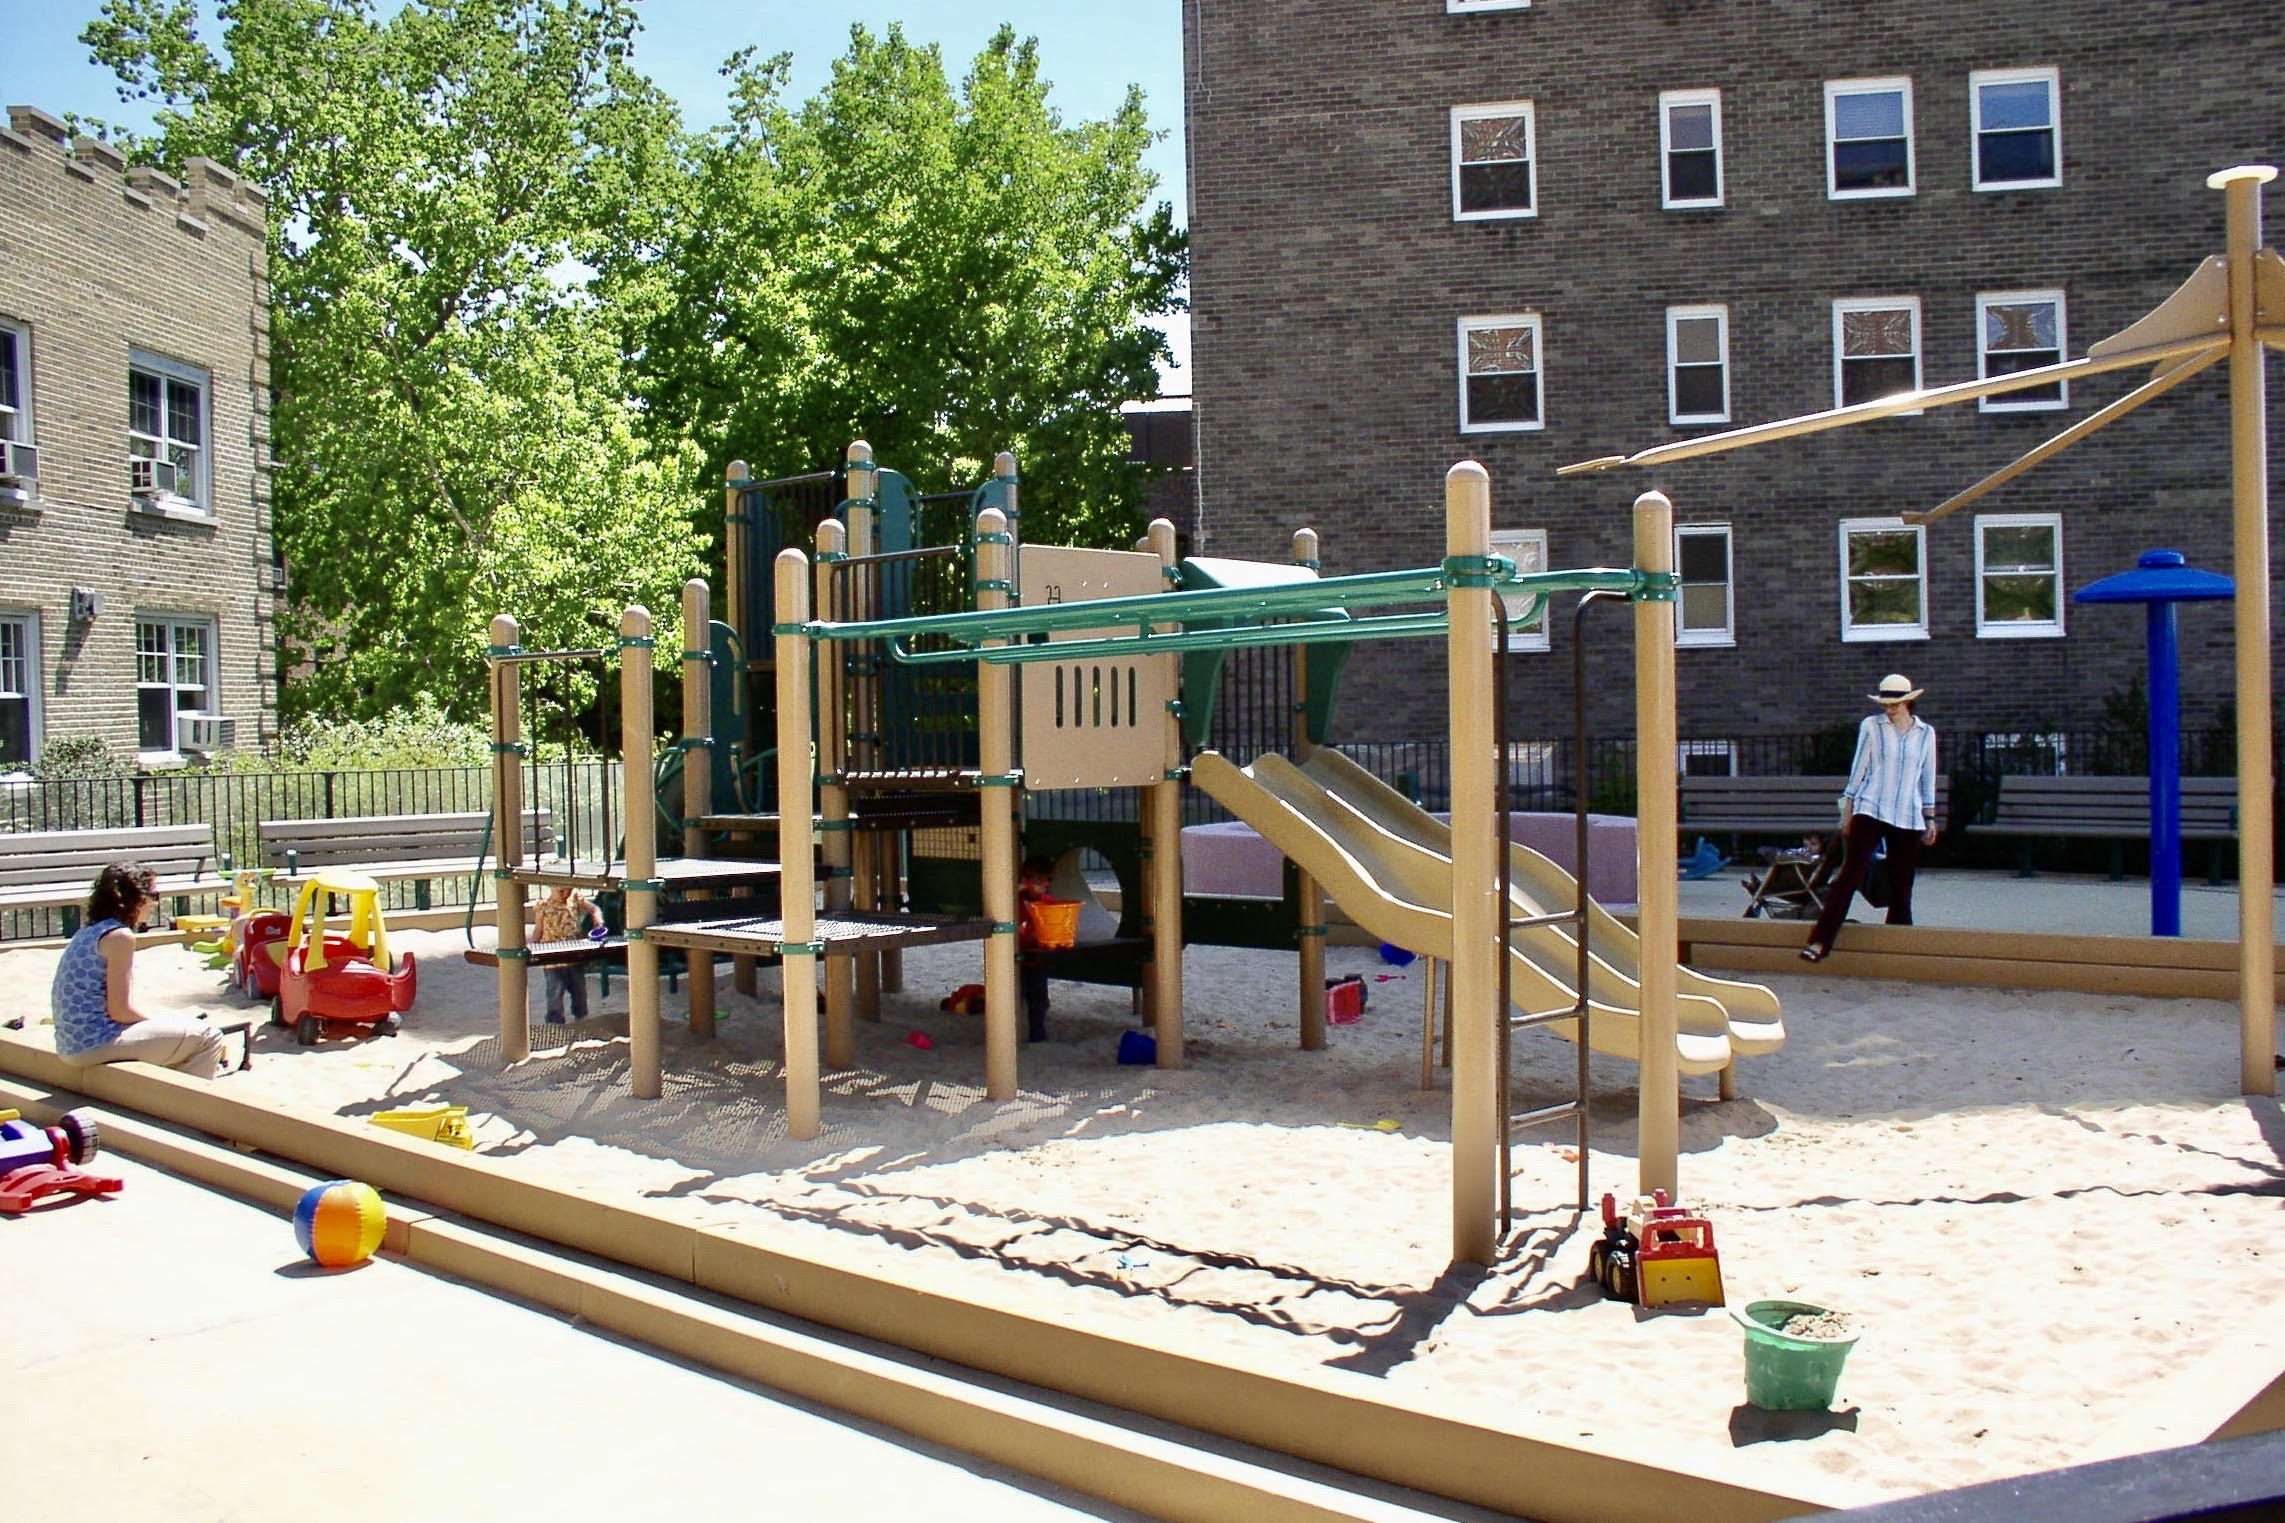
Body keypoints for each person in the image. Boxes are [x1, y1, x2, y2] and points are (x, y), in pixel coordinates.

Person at [1802, 674, 1939, 962]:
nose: (1890, 709)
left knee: (1902, 883)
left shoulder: (1926, 733)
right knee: (1850, 874)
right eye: (1887, 704)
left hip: (1907, 813)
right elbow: (1858, 771)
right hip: (1871, 807)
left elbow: (1927, 778)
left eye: (1896, 704)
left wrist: (1929, 817)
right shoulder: (1872, 727)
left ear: (1908, 703)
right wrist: (1847, 812)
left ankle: (1898, 947)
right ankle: (1820, 941)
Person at [51, 863, 226, 1079]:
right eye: (152, 895)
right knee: (208, 1037)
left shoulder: (88, 932)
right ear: (133, 897)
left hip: (71, 1045)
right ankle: (193, 1106)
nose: (154, 903)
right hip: (95, 1044)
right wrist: (155, 1022)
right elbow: (120, 1011)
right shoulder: (119, 937)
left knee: (176, 1034)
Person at [531, 882, 604, 1023]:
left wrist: (597, 917)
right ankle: (555, 1022)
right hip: (552, 959)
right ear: (551, 887)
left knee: (579, 992)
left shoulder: (575, 898)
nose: (565, 894)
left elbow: (594, 909)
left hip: (574, 956)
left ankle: (581, 1018)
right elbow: (538, 930)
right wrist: (533, 948)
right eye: (561, 891)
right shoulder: (543, 907)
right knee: (555, 993)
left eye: (569, 890)